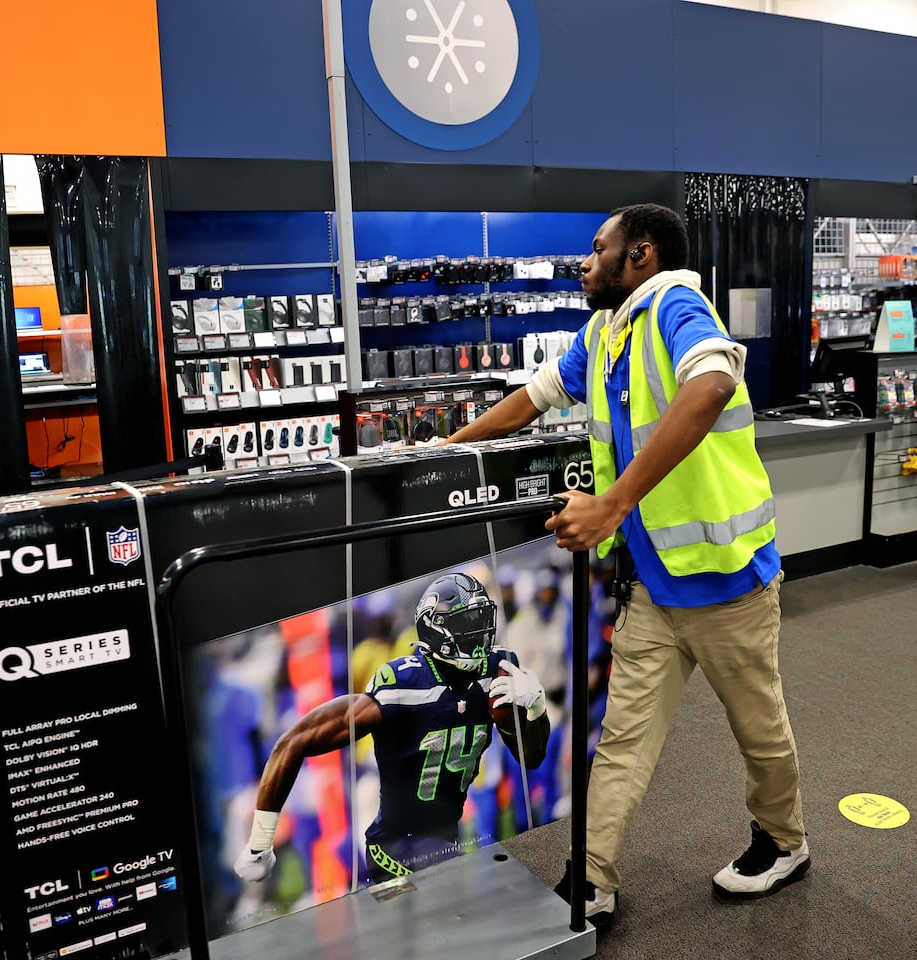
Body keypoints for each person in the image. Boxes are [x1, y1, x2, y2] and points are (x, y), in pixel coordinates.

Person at [446, 203, 808, 927]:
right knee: (623, 741)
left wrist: (610, 504)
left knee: (758, 727)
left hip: (727, 582)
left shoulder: (677, 303)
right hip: (651, 587)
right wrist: (440, 453)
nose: (584, 261)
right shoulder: (607, 330)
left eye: (596, 247)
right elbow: (530, 399)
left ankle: (785, 839)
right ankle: (593, 880)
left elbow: (712, 384)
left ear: (639, 254)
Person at [232, 573, 549, 885]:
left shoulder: (497, 672)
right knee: (459, 887)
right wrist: (259, 843)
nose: (479, 632)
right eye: (467, 623)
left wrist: (535, 709)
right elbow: (292, 742)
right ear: (436, 628)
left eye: (480, 619)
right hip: (397, 845)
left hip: (444, 838)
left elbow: (532, 757)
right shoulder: (403, 684)